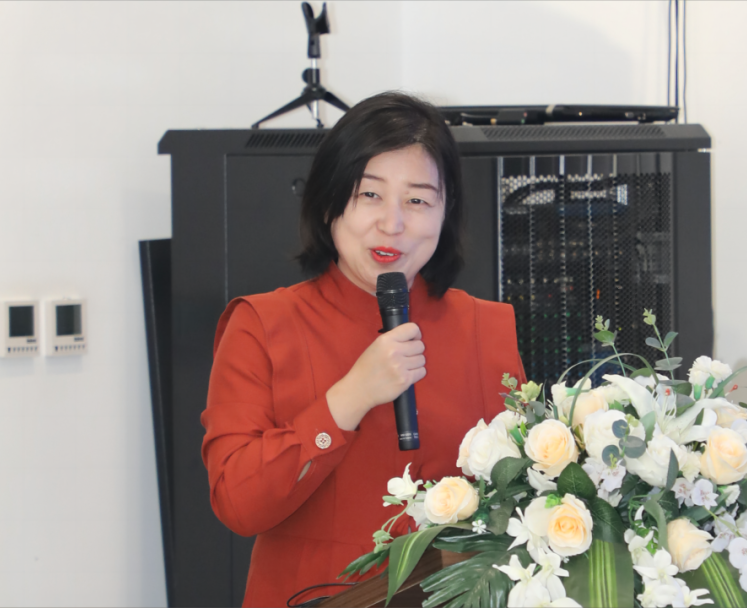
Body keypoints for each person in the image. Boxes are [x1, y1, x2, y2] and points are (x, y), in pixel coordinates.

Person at [201, 92, 525, 607]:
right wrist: (349, 398)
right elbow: (238, 505)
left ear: (446, 213)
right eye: (370, 194)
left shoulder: (486, 326)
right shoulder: (261, 324)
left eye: (417, 201)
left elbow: (520, 502)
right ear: (329, 201)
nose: (392, 223)